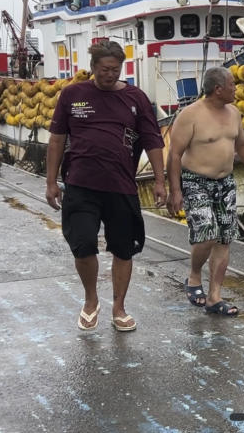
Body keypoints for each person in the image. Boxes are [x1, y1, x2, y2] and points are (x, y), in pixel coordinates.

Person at [45, 41, 166, 332]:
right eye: (103, 70)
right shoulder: (73, 94)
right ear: (93, 67)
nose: (109, 75)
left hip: (121, 186)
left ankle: (119, 307)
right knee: (83, 244)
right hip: (80, 184)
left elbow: (152, 141)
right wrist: (51, 182)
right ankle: (90, 300)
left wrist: (161, 181)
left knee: (123, 249)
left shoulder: (136, 98)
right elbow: (57, 139)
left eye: (115, 70)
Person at [166, 67, 244, 317]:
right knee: (207, 235)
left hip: (225, 183)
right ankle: (193, 277)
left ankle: (214, 297)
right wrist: (175, 189)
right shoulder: (190, 115)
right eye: (232, 85)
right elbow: (175, 154)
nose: (236, 88)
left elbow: (242, 145)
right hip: (195, 181)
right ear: (218, 89)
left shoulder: (233, 113)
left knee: (224, 238)